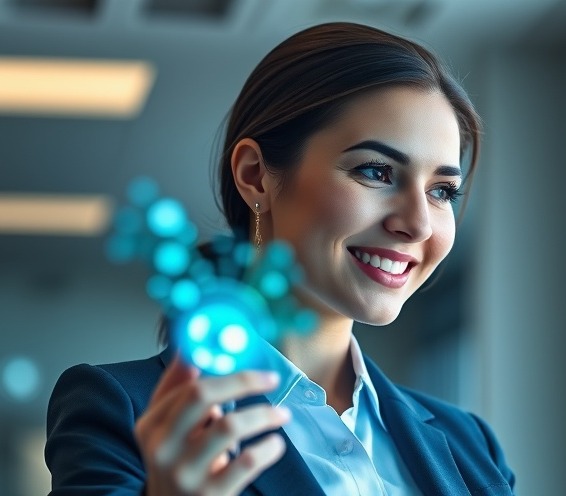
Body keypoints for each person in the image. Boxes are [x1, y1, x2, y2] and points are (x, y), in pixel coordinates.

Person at [44, 22, 515, 496]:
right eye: (376, 171)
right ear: (255, 176)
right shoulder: (121, 408)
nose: (418, 223)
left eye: (442, 191)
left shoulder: (469, 443)